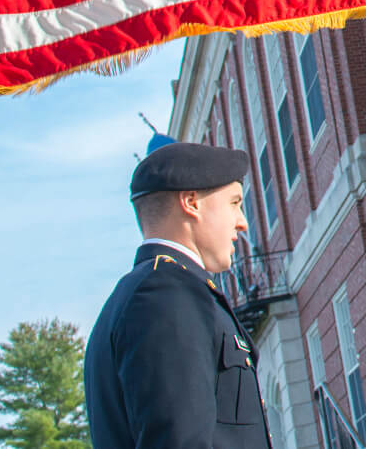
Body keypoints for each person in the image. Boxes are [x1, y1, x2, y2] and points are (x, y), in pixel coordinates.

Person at [85, 139, 272, 449]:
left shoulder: (139, 294)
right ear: (191, 202)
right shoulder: (167, 294)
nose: (242, 223)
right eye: (235, 203)